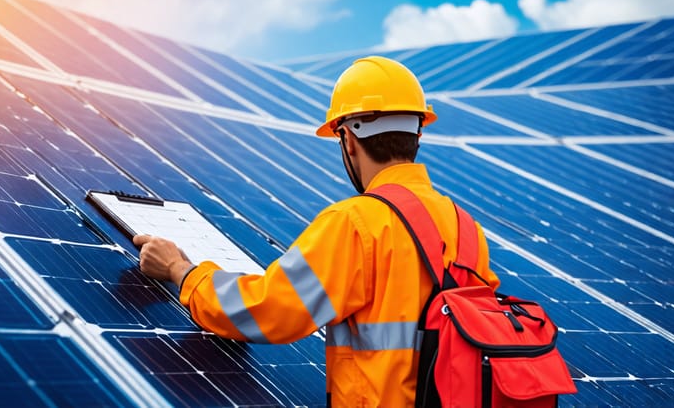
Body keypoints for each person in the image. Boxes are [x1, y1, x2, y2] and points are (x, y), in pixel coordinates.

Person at [134, 55, 500, 407]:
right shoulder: (467, 229)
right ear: (418, 136)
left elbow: (268, 310)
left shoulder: (357, 223)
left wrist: (181, 272)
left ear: (349, 141)